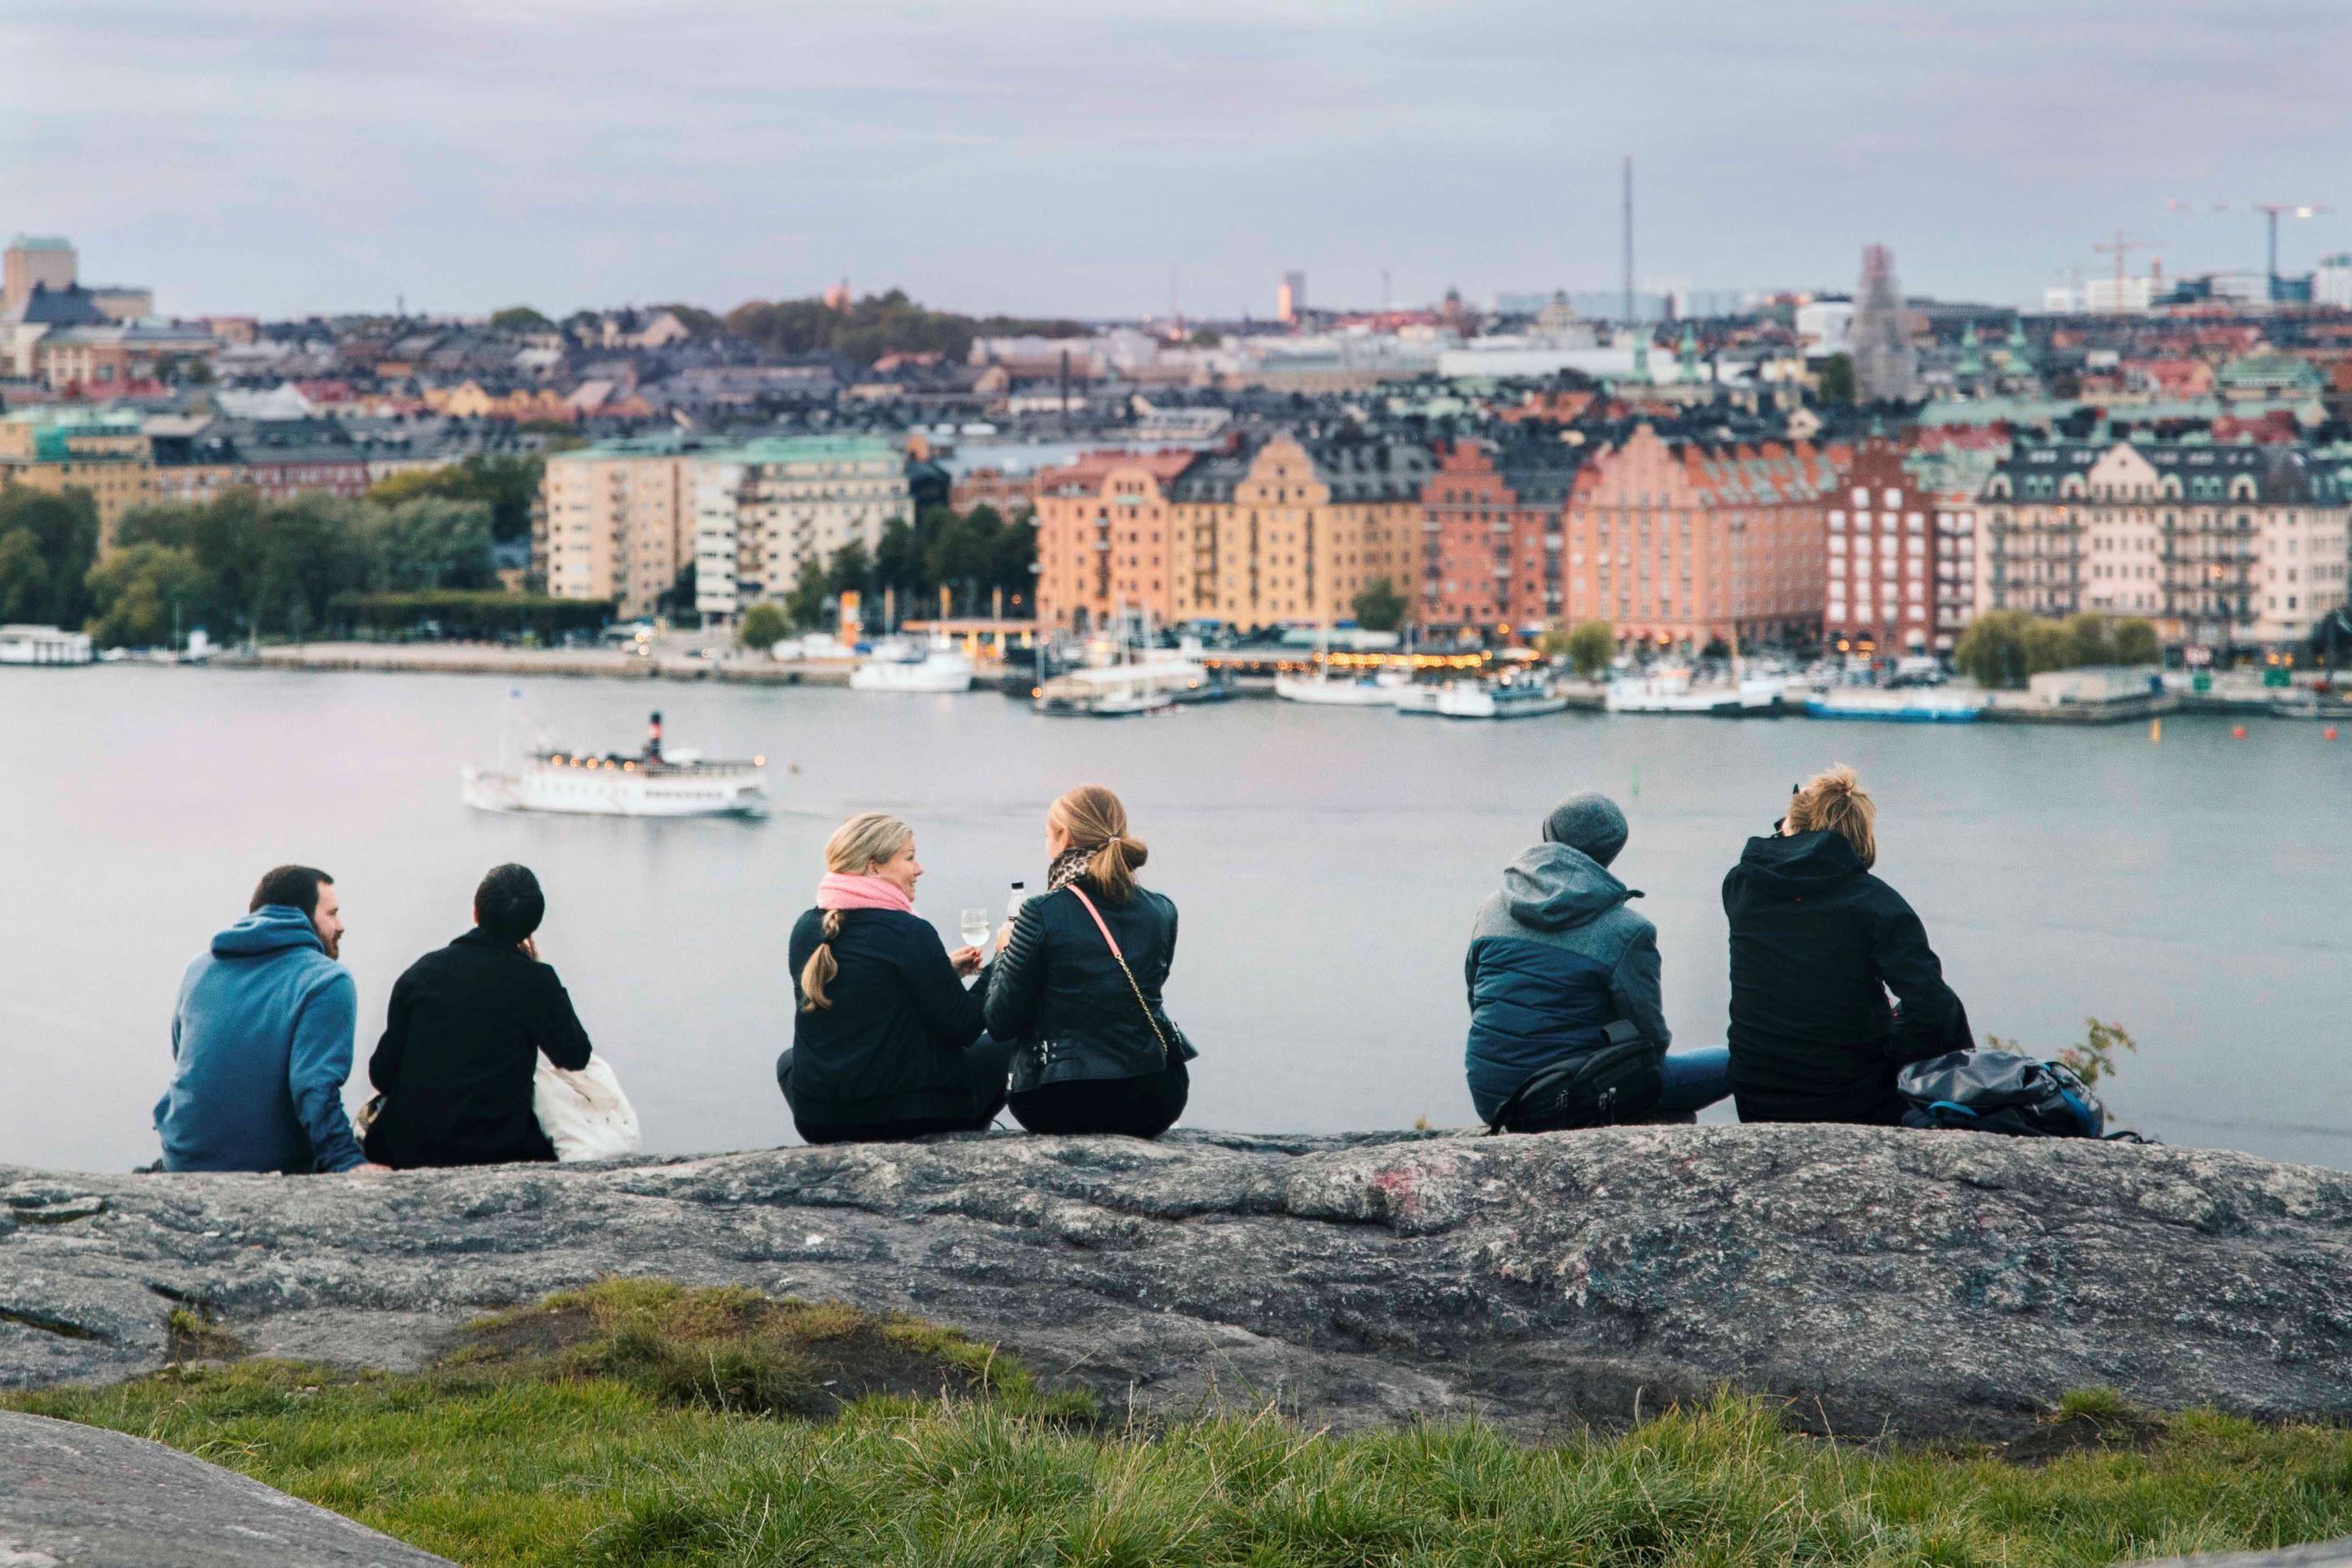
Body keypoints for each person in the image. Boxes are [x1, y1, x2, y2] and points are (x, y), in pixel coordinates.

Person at [1464, 792, 1730, 1128]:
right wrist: (1608, 1035)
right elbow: (1651, 1040)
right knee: (1735, 1061)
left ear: (1548, 832)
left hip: (1492, 1097)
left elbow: (1477, 997)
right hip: (1565, 1098)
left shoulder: (1491, 909)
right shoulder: (1627, 930)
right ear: (1612, 851)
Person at [1722, 765, 1970, 1125]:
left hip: (1756, 1098)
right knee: (1946, 1009)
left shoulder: (1740, 887)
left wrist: (1787, 830)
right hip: (1847, 1101)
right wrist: (1887, 1048)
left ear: (1792, 826)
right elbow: (1933, 1009)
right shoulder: (1874, 903)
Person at [777, 814, 1012, 1143]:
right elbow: (965, 1026)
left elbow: (869, 997)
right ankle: (965, 1135)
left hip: (818, 1120)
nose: (919, 869)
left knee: (789, 1060)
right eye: (910, 857)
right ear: (874, 867)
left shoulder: (805, 929)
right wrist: (1001, 960)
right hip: (904, 1119)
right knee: (1010, 1040)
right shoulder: (909, 932)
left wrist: (942, 971)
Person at [984, 785, 1194, 1138]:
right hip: (1156, 1100)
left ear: (1063, 837)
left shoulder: (1040, 912)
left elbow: (1000, 1022)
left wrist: (1004, 952)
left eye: (1047, 834)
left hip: (1062, 1103)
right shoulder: (1162, 910)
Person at [364, 864, 593, 1168]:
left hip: (411, 1149)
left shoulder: (420, 975)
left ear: (476, 912)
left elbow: (382, 1075)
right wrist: (541, 973)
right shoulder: (535, 981)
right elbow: (575, 1055)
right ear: (531, 927)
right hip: (497, 1150)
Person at [154, 865, 377, 1174]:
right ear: (301, 916)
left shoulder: (198, 968)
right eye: (332, 914)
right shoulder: (326, 979)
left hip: (181, 1159)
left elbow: (184, 1055)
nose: (340, 926)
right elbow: (314, 1086)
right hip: (267, 1167)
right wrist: (348, 1161)